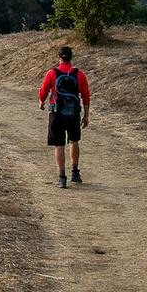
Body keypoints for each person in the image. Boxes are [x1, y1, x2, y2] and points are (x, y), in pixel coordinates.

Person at [38, 45, 90, 188]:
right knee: (74, 141)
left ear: (59, 58)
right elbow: (86, 96)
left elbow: (43, 91)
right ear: (71, 57)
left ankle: (62, 177)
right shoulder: (79, 74)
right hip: (73, 113)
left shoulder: (52, 73)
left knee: (59, 145)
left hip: (57, 113)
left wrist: (41, 102)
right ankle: (75, 172)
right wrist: (86, 115)